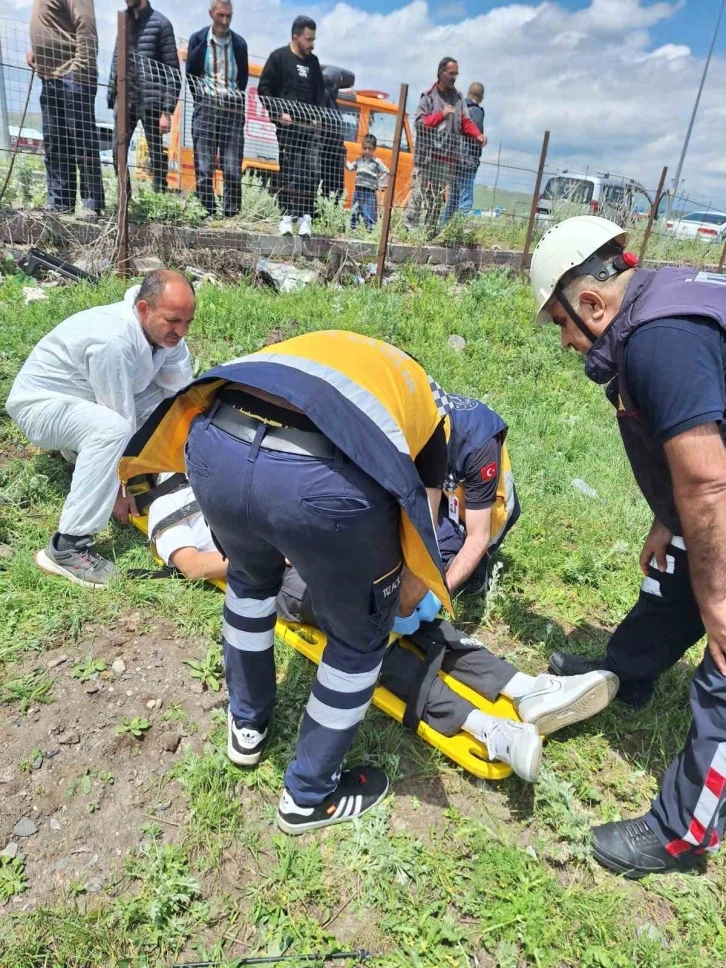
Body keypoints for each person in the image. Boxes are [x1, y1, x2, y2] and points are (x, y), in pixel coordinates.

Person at [120, 331, 459, 834]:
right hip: (318, 481)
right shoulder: (426, 405)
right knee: (358, 639)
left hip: (216, 447)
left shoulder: (329, 348)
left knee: (250, 581)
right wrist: (396, 591)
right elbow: (422, 513)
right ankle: (308, 796)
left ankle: (247, 725)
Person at [145, 475, 619, 782]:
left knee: (411, 613)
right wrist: (265, 554)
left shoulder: (225, 471)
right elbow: (191, 564)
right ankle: (489, 729)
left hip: (310, 556)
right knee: (369, 639)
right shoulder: (167, 509)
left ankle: (525, 687)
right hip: (281, 578)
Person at [530, 214, 726, 879]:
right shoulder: (660, 301)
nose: (564, 341)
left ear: (590, 301)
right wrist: (669, 520)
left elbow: (707, 478)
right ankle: (629, 672)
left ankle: (680, 835)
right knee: (678, 571)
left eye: (562, 322)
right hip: (711, 491)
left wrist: (721, 602)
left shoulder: (658, 340)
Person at [6, 270, 195, 588]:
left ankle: (80, 450)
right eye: (173, 321)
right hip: (40, 407)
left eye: (188, 321)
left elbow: (182, 395)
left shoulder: (167, 334)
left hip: (83, 401)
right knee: (112, 430)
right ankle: (67, 547)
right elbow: (116, 416)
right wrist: (118, 493)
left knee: (166, 404)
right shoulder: (113, 341)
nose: (181, 331)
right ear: (144, 309)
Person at [28, 0, 105, 217]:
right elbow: (52, 24)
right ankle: (60, 201)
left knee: (83, 143)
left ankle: (91, 204)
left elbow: (86, 26)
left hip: (73, 77)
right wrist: (37, 52)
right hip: (50, 75)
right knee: (55, 143)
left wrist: (80, 70)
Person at [439, 392, 519, 596]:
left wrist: (438, 594)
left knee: (435, 564)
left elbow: (478, 537)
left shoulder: (477, 445)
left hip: (482, 513)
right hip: (446, 493)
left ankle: (474, 574)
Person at [258, 16, 327, 238]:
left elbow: (320, 94)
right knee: (290, 171)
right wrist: (278, 114)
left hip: (310, 130)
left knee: (311, 174)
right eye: (308, 39)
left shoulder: (314, 63)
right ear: (295, 36)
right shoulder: (278, 58)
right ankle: (287, 216)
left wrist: (319, 118)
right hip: (289, 130)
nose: (312, 44)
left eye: (314, 39)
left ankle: (306, 218)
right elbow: (264, 89)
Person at [404, 58, 484, 237]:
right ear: (441, 73)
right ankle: (409, 232)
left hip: (446, 160)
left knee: (436, 200)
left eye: (456, 73)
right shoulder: (429, 96)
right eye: (451, 73)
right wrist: (441, 115)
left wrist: (477, 135)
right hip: (426, 157)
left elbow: (465, 121)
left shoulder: (458, 98)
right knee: (418, 195)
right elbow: (420, 123)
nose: (454, 77)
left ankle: (429, 233)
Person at [108, 0, 181, 194]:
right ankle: (125, 200)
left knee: (156, 156)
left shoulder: (161, 24)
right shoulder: (123, 20)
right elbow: (117, 58)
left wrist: (167, 111)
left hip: (152, 102)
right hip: (125, 100)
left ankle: (159, 200)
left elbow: (173, 70)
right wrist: (112, 93)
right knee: (118, 152)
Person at [186, 0, 248, 218]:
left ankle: (231, 214)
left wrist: (235, 101)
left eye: (228, 16)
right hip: (207, 105)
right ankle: (206, 211)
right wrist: (202, 98)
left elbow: (243, 78)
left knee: (232, 167)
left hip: (232, 107)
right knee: (204, 164)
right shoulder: (197, 39)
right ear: (211, 13)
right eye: (220, 15)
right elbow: (191, 74)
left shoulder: (240, 44)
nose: (224, 21)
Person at [441, 81, 485, 222]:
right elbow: (475, 133)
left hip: (453, 159)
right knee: (465, 200)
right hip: (467, 161)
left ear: (468, 93)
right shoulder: (476, 111)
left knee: (453, 199)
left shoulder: (456, 108)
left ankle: (442, 228)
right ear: (481, 97)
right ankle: (457, 232)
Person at [347, 134, 388, 230]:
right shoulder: (359, 160)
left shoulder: (376, 162)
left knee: (368, 212)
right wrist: (344, 160)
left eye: (370, 149)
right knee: (355, 211)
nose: (367, 151)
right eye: (364, 148)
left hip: (369, 191)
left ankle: (371, 230)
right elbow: (350, 167)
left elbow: (386, 171)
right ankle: (353, 229)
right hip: (358, 189)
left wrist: (380, 184)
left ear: (374, 149)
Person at [319, 65, 347, 203]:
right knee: (329, 189)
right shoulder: (324, 98)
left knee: (334, 191)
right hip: (327, 155)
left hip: (334, 155)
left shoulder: (332, 101)